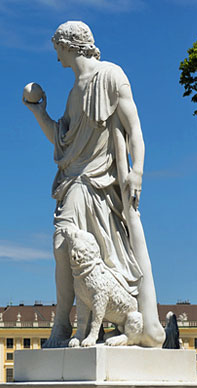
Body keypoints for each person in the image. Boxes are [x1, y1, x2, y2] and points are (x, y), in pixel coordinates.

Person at [23, 21, 165, 348]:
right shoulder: (74, 92)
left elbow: (135, 130)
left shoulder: (112, 76)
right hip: (74, 179)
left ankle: (90, 326)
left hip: (103, 183)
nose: (55, 54)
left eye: (56, 47)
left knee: (100, 258)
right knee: (62, 246)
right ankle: (62, 324)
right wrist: (38, 112)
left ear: (69, 45)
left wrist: (138, 171)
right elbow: (62, 142)